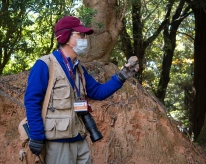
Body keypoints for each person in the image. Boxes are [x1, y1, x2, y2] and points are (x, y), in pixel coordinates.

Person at [24, 15, 139, 164]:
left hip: (80, 141)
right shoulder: (45, 65)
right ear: (66, 36)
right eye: (80, 34)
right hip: (58, 144)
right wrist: (37, 135)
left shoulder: (79, 69)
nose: (84, 39)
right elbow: (32, 101)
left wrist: (122, 76)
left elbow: (98, 92)